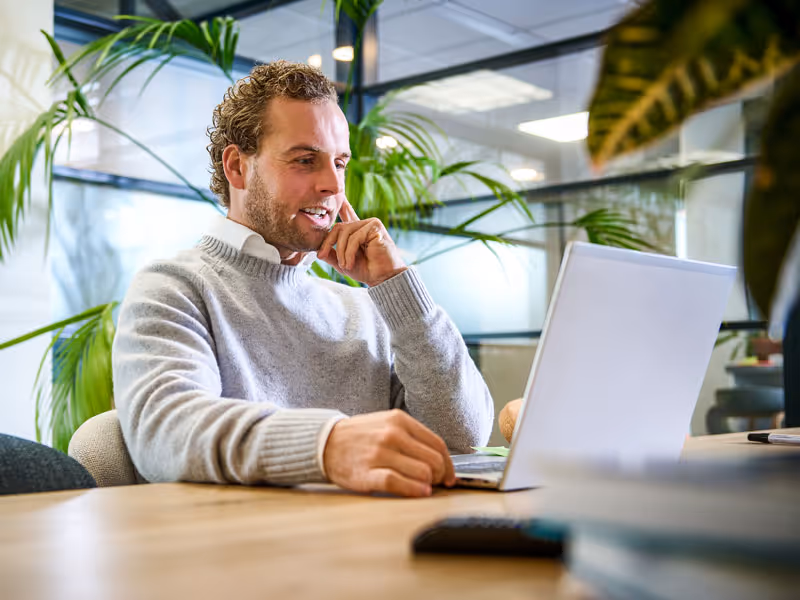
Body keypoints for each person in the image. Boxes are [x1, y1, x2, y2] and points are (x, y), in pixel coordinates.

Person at [112, 61, 494, 498]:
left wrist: (397, 286)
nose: (333, 185)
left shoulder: (364, 308)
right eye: (305, 161)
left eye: (340, 163)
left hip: (372, 547)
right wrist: (327, 446)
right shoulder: (174, 288)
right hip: (244, 553)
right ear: (237, 167)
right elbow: (167, 432)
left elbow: (460, 438)